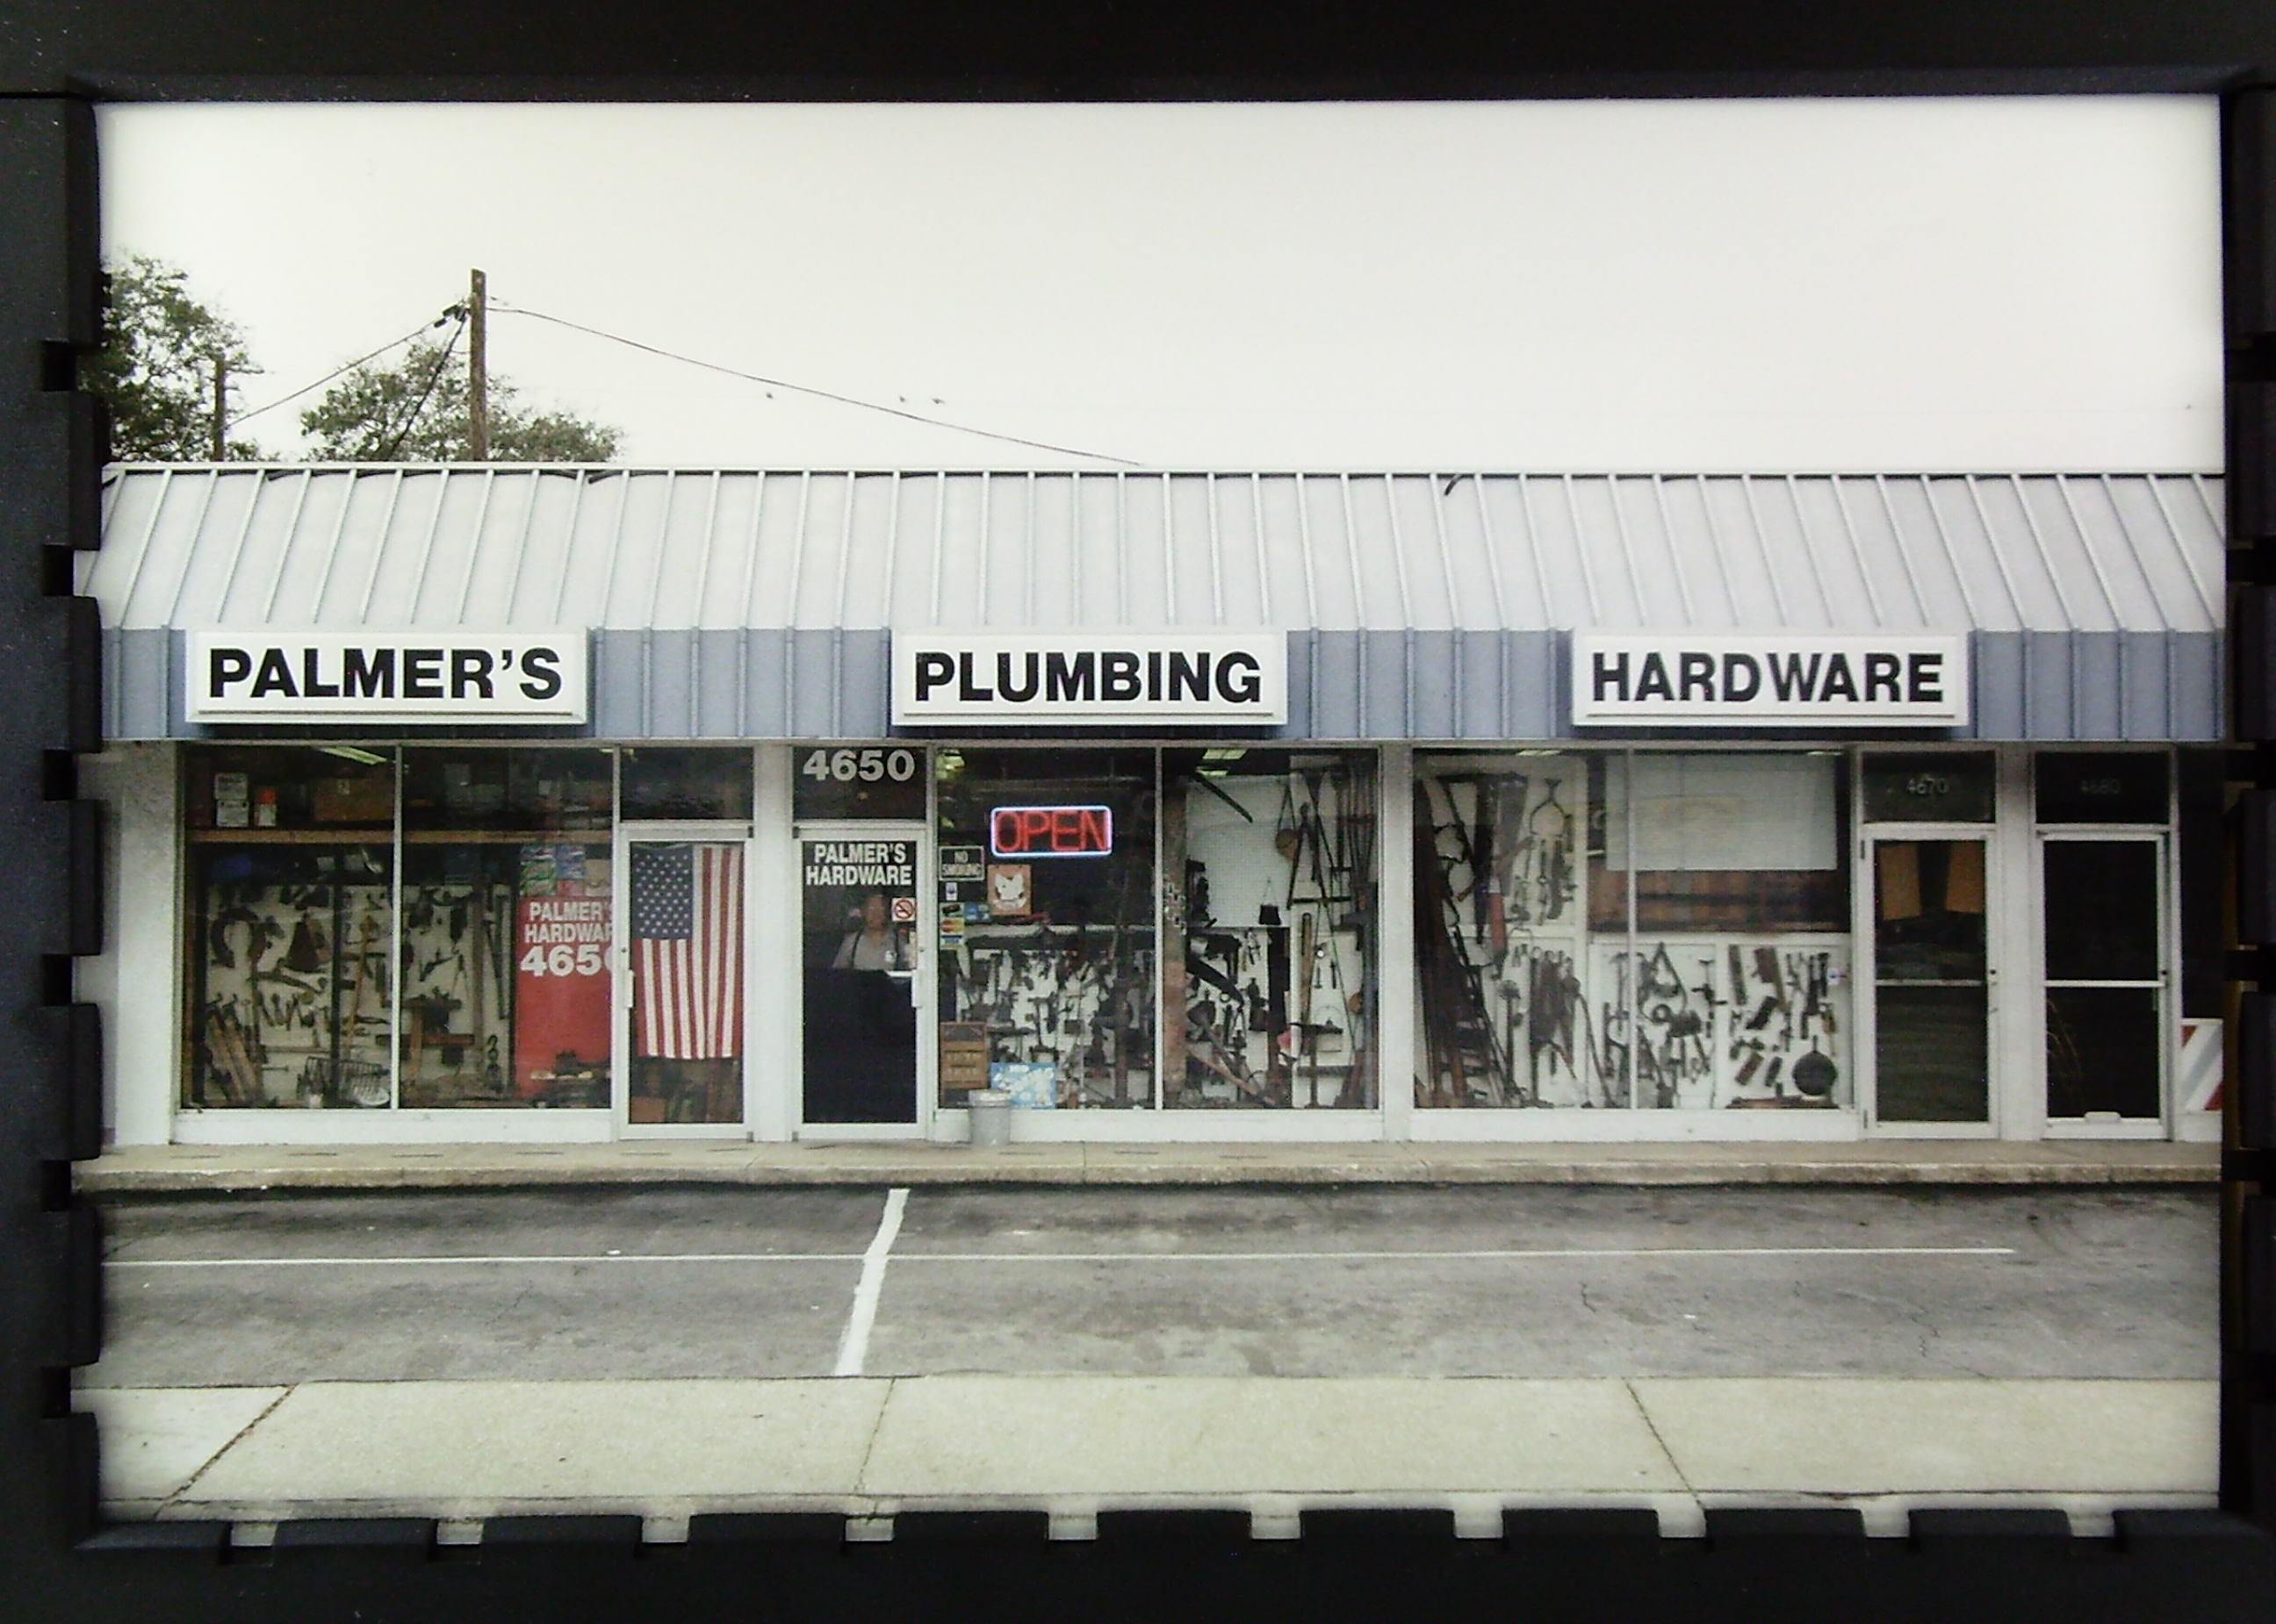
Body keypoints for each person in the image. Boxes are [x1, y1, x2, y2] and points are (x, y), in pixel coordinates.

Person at [832, 890, 906, 971]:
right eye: (871, 908)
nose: (876, 914)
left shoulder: (899, 942)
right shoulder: (851, 942)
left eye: (881, 908)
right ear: (863, 912)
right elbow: (838, 973)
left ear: (888, 911)